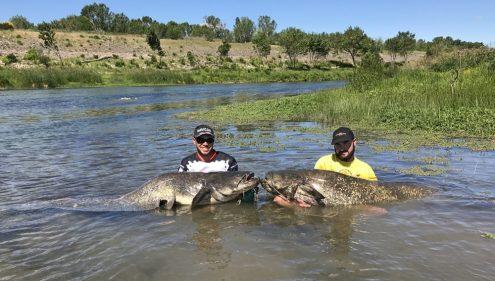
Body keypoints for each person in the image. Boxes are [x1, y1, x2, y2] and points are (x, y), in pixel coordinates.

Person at [274, 126, 377, 208]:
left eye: (346, 143)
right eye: (337, 144)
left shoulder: (365, 169)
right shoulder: (324, 162)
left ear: (354, 142)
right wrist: (298, 203)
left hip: (351, 206)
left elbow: (375, 195)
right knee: (278, 200)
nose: (342, 148)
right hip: (324, 206)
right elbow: (311, 190)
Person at [178, 124, 255, 202]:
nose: (205, 143)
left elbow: (235, 186)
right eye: (200, 139)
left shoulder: (228, 161)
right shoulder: (186, 163)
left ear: (214, 140)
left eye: (209, 140)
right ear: (194, 141)